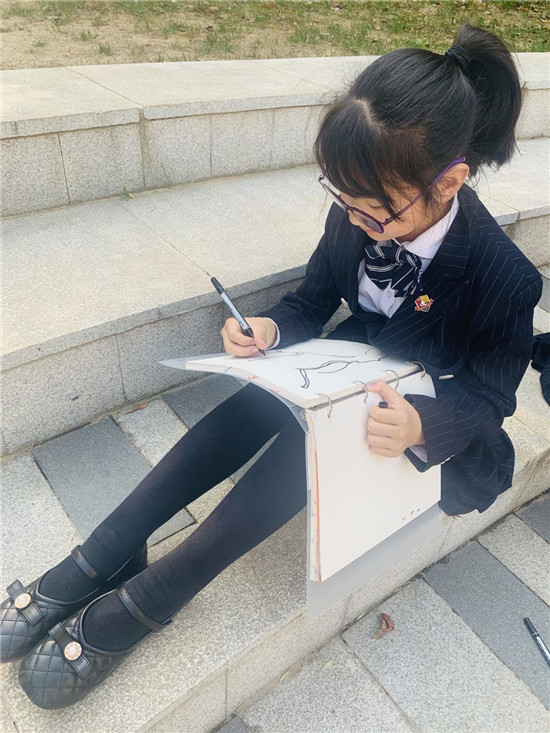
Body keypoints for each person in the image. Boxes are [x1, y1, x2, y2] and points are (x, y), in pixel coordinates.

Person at [1, 23, 542, 710]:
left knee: (316, 434)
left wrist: (420, 425)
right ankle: (108, 548)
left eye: (372, 213)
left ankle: (160, 591)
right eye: (342, 200)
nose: (353, 219)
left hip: (428, 424)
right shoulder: (358, 208)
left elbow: (492, 399)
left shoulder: (505, 274)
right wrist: (271, 328)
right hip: (352, 366)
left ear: (450, 182)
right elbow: (313, 299)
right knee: (260, 398)